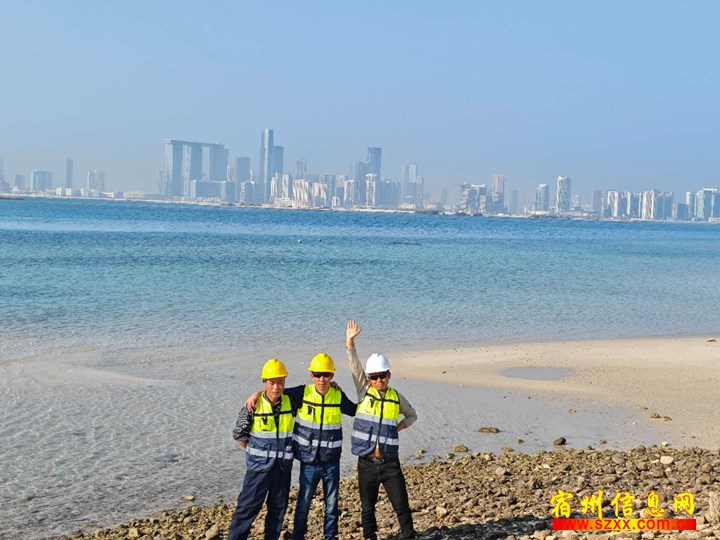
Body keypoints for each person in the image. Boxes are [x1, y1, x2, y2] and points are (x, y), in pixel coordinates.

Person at [243, 353, 356, 540]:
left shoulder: (338, 395)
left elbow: (354, 410)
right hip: (308, 461)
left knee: (332, 505)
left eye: (326, 375)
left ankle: (330, 537)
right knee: (303, 504)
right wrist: (256, 394)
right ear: (311, 376)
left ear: (332, 376)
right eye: (317, 374)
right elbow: (275, 391)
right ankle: (298, 536)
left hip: (331, 461)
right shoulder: (302, 393)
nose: (321, 379)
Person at [346, 320, 417, 540]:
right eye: (374, 377)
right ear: (369, 378)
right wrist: (350, 343)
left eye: (382, 376)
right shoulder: (364, 390)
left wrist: (398, 427)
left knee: (401, 505)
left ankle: (409, 535)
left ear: (389, 375)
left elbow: (412, 415)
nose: (378, 380)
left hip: (390, 463)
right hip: (366, 463)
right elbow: (355, 366)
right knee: (367, 508)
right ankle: (370, 537)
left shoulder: (396, 397)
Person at [227, 358, 296, 540]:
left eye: (280, 382)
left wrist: (333, 384)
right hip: (258, 469)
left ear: (284, 382)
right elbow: (239, 435)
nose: (276, 387)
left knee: (278, 511)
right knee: (246, 510)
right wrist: (255, 451)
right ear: (265, 382)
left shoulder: (291, 402)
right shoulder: (253, 406)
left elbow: (316, 388)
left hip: (282, 468)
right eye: (272, 383)